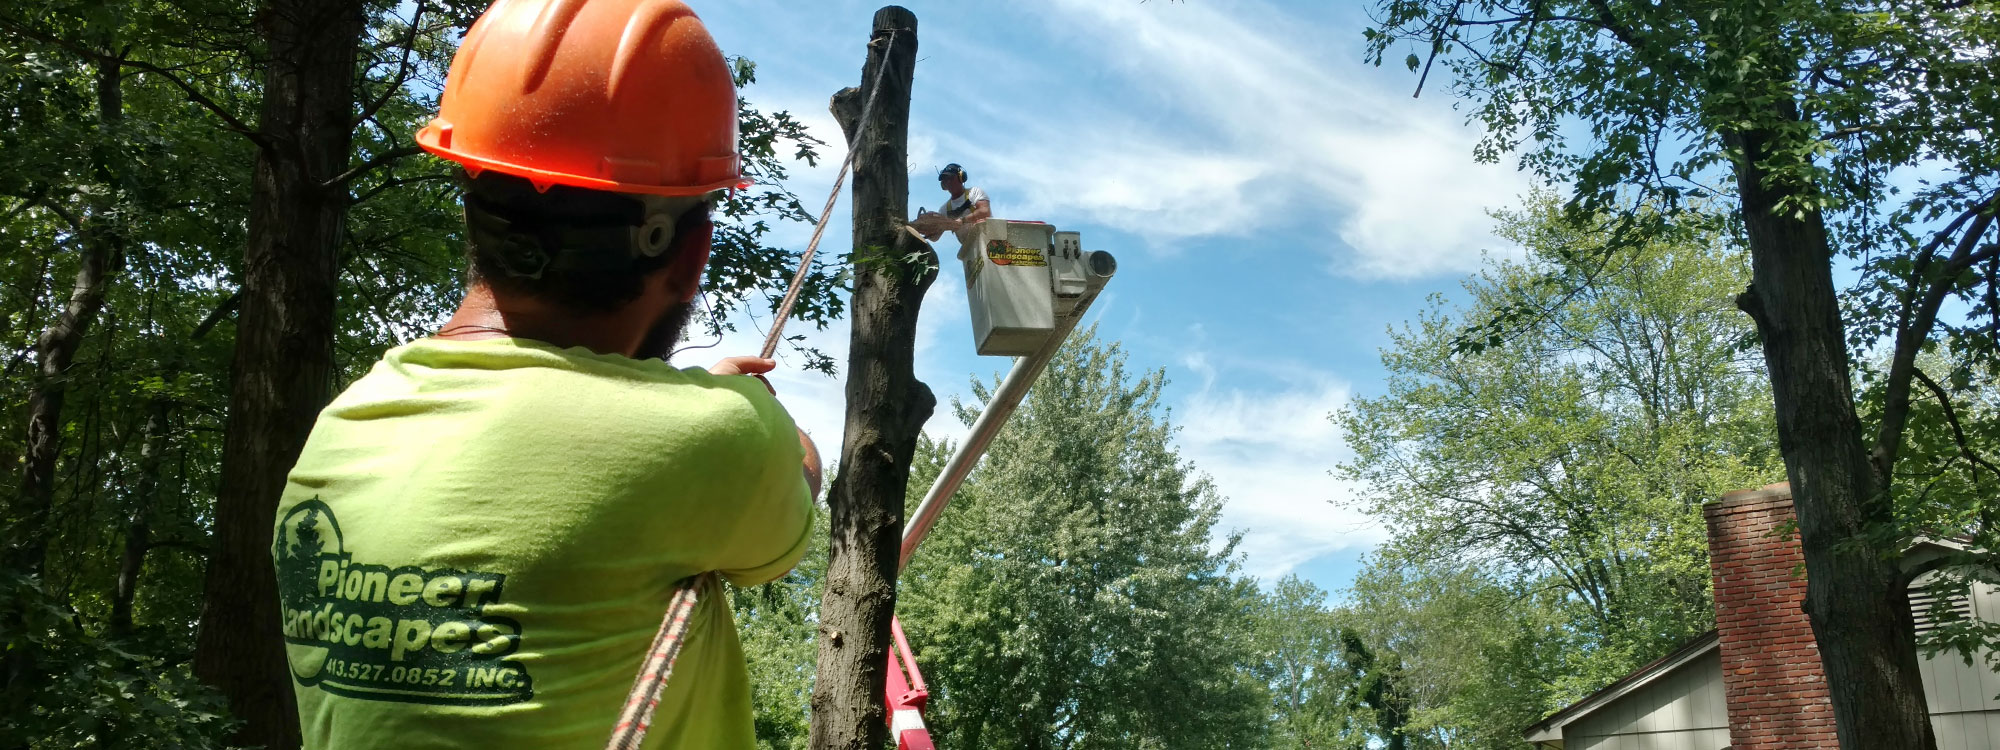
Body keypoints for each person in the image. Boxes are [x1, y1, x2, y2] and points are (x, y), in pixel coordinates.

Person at [268, 1, 819, 747]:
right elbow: (798, 478)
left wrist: (695, 408)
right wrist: (738, 407)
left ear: (475, 209)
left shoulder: (342, 432)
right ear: (689, 258)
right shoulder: (719, 439)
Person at [915, 163, 991, 243]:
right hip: (970, 249)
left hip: (988, 241)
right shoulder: (945, 209)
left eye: (950, 178)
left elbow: (985, 212)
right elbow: (935, 238)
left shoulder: (974, 192)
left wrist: (962, 220)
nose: (948, 182)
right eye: (945, 180)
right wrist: (927, 228)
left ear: (961, 177)